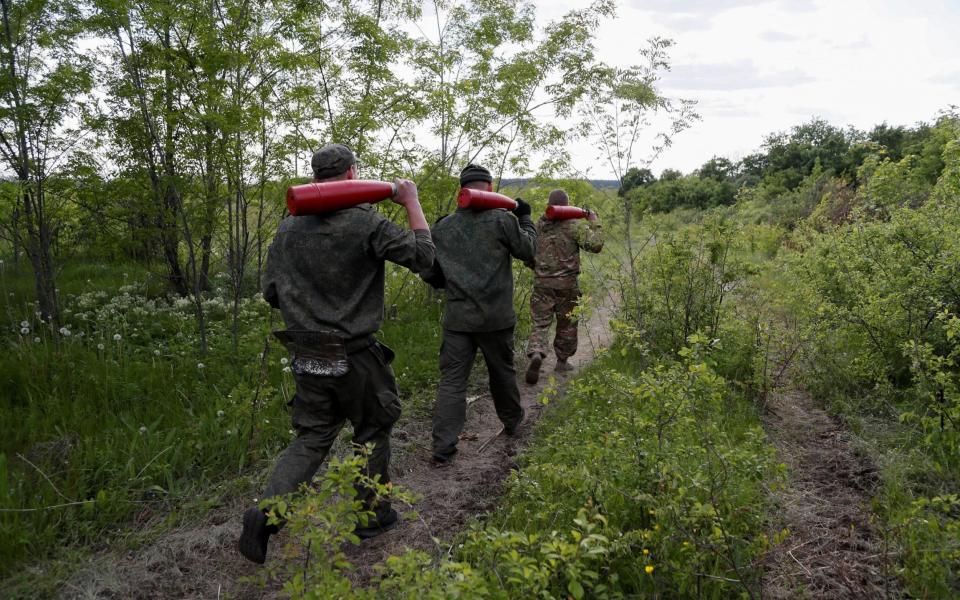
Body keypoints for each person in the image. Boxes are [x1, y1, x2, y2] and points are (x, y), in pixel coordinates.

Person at [238, 144, 434, 564]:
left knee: (312, 435)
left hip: (306, 350)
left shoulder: (289, 228)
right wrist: (412, 200)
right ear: (352, 174)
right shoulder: (366, 223)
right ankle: (371, 515)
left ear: (315, 179)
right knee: (373, 428)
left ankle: (265, 514)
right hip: (356, 354)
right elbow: (424, 257)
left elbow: (272, 293)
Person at [420, 163, 537, 465]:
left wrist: (453, 280)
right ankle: (512, 422)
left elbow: (431, 274)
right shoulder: (502, 221)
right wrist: (524, 218)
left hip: (458, 320)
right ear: (489, 187)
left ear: (463, 189)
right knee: (502, 372)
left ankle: (443, 447)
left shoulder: (443, 227)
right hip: (496, 318)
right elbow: (529, 251)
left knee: (452, 382)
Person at [524, 189, 602, 385]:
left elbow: (527, 251)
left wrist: (537, 267)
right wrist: (594, 221)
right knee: (567, 323)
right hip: (567, 285)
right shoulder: (574, 226)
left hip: (542, 283)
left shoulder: (539, 225)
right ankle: (561, 361)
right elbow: (596, 245)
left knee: (540, 322)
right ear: (567, 206)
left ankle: (536, 352)